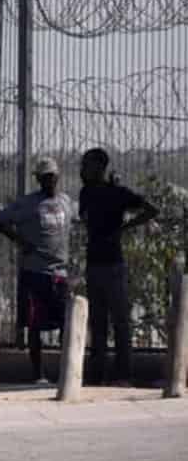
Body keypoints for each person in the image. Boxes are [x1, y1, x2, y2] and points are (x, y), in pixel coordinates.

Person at [0, 155, 74, 385]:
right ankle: (38, 374)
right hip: (35, 272)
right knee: (35, 325)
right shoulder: (28, 203)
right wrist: (20, 241)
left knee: (66, 323)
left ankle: (67, 371)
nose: (50, 181)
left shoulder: (66, 202)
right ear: (39, 179)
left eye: (53, 176)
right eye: (45, 177)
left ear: (58, 176)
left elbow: (76, 222)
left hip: (60, 272)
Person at [79, 148, 158, 386]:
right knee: (98, 321)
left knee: (120, 322)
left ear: (99, 167)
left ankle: (123, 374)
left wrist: (125, 228)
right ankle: (98, 375)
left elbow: (151, 209)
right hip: (95, 262)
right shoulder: (88, 192)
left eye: (87, 165)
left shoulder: (116, 193)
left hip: (113, 263)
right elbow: (84, 218)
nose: (83, 169)